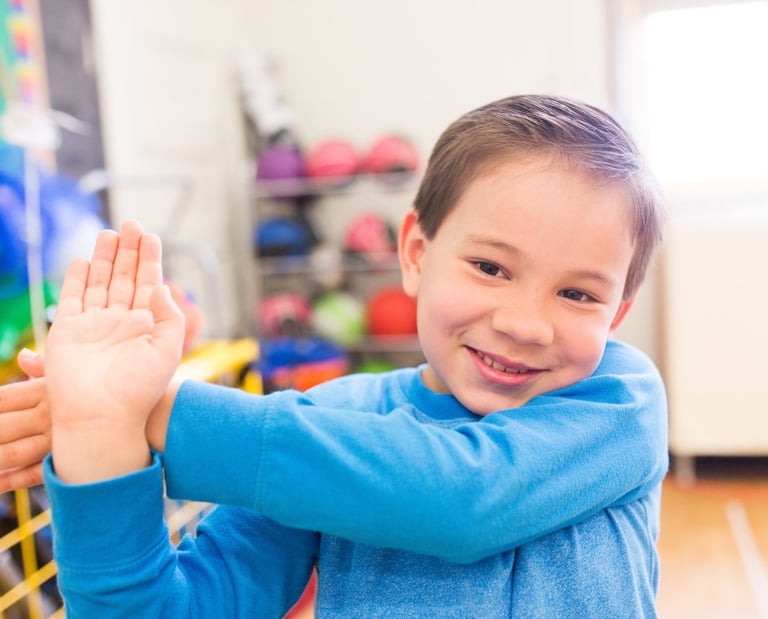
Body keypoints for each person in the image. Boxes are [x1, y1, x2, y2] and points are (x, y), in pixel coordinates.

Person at [5, 94, 667, 617]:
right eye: (491, 267)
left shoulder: (619, 398)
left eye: (578, 292)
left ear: (619, 313)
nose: (526, 324)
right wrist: (98, 437)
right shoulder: (327, 430)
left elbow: (465, 496)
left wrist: (156, 417)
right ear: (414, 253)